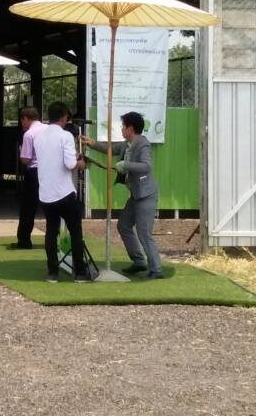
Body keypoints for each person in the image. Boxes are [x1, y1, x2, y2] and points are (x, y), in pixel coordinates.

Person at [85, 111, 163, 278]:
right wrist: (91, 143)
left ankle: (156, 270)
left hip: (146, 195)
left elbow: (146, 166)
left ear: (130, 128)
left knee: (144, 233)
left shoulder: (143, 144)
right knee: (123, 225)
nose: (121, 129)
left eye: (123, 126)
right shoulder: (127, 144)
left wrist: (125, 165)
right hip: (136, 195)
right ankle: (139, 261)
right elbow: (110, 149)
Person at [32, 102, 90, 282]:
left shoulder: (38, 137)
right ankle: (80, 272)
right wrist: (81, 163)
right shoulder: (65, 136)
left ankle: (52, 272)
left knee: (51, 232)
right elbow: (70, 164)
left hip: (46, 193)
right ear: (64, 117)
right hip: (64, 192)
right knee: (75, 232)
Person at [15, 105, 47, 249]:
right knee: (51, 206)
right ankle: (52, 239)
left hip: (34, 172)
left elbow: (26, 159)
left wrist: (20, 151)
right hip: (49, 171)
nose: (22, 124)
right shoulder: (49, 129)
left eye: (22, 121)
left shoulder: (29, 134)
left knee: (28, 207)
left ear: (25, 119)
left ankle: (24, 240)